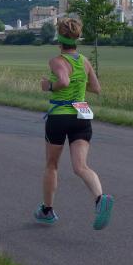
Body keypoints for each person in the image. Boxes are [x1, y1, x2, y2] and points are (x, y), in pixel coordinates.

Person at [35, 17, 114, 230]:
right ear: (77, 39)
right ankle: (100, 198)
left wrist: (49, 86)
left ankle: (47, 211)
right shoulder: (84, 61)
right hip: (82, 115)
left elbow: (63, 81)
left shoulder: (57, 61)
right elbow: (96, 88)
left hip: (60, 116)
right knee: (81, 166)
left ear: (59, 39)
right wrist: (79, 83)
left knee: (52, 165)